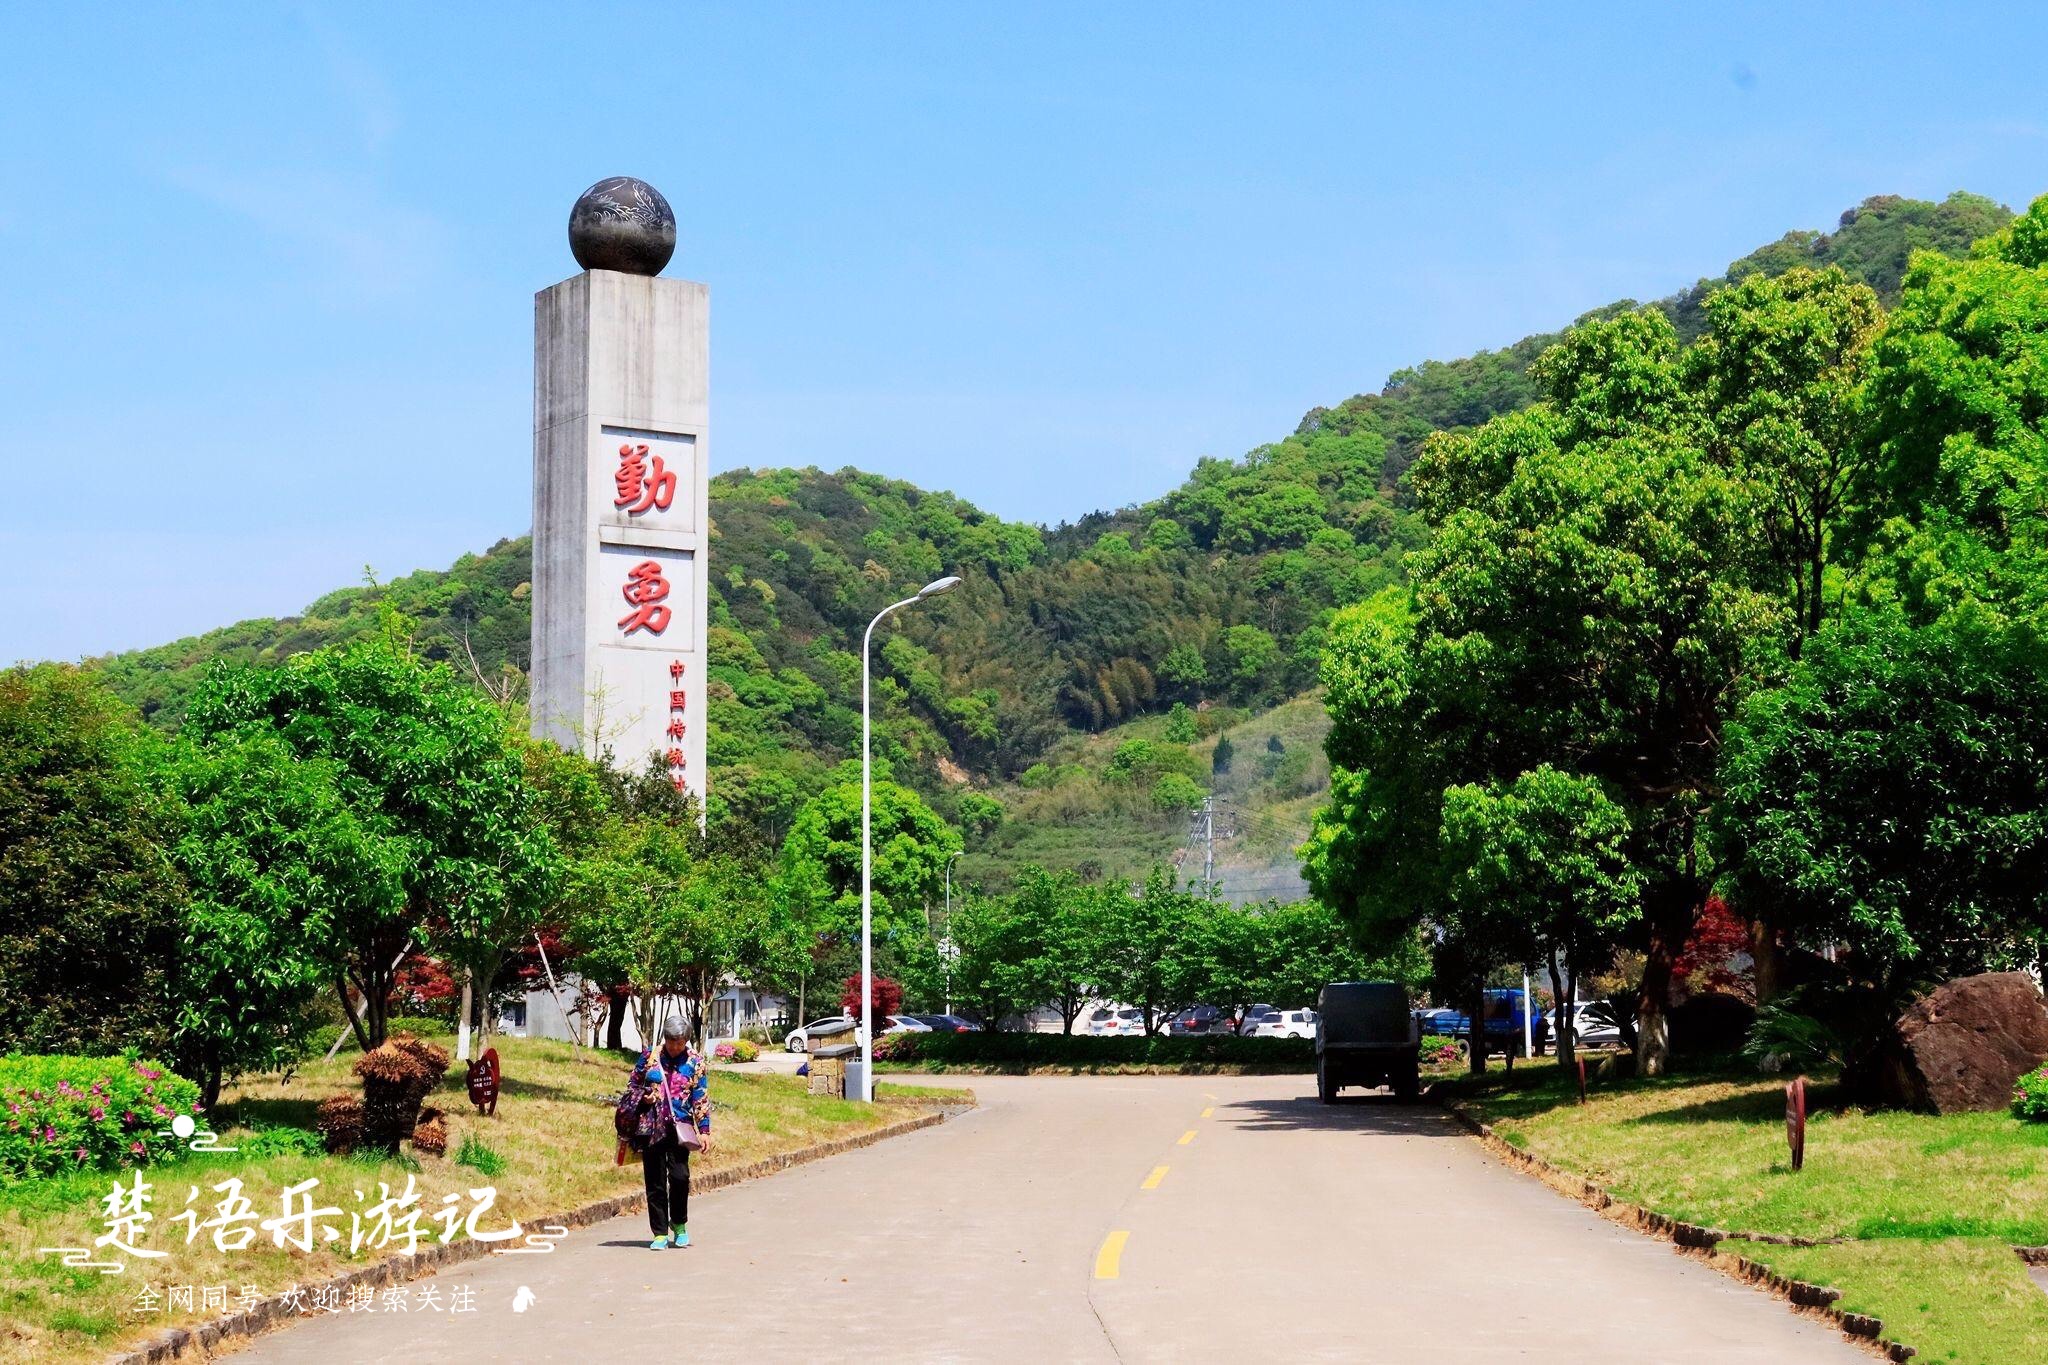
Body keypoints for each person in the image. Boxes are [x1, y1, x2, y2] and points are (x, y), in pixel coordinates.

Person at [631, 1016, 713, 1250]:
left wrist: (704, 1130)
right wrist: (644, 1096)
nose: (675, 1046)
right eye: (671, 1041)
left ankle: (679, 1224)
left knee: (680, 1177)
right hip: (651, 1126)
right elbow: (633, 1085)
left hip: (681, 1128)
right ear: (665, 1039)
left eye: (680, 1042)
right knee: (654, 1181)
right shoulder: (650, 1057)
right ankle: (658, 1232)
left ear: (686, 1040)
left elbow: (700, 1096)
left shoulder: (695, 1061)